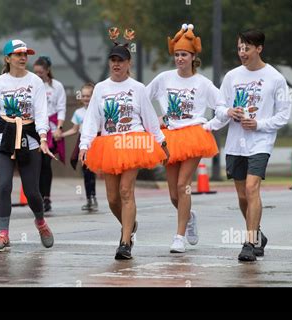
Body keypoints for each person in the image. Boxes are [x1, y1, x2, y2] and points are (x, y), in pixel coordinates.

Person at [79, 28, 169, 260]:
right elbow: (92, 119)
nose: (116, 64)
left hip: (133, 142)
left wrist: (161, 142)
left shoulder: (138, 88)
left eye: (120, 60)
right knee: (112, 198)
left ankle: (125, 241)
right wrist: (84, 145)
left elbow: (149, 119)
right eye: (113, 60)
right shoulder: (100, 88)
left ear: (129, 63)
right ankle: (129, 224)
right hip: (108, 144)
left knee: (126, 191)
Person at [204, 29, 292, 261]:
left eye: (247, 48)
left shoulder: (275, 78)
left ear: (259, 49)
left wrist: (259, 124)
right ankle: (258, 234)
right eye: (240, 48)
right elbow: (220, 108)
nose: (242, 52)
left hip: (260, 142)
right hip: (235, 144)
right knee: (243, 196)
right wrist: (223, 114)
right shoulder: (232, 76)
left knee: (252, 189)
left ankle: (249, 243)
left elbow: (283, 115)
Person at [147, 24, 226, 254]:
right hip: (169, 137)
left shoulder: (203, 83)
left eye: (184, 55)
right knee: (173, 193)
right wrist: (154, 119)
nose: (180, 58)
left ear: (193, 57)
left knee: (184, 185)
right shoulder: (163, 79)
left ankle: (179, 236)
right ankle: (190, 216)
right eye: (177, 54)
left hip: (193, 135)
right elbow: (141, 98)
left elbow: (222, 107)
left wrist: (210, 125)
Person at [0, 39, 55, 252]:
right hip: (4, 137)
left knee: (32, 191)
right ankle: (4, 234)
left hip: (29, 137)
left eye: (25, 54)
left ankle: (41, 223)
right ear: (8, 58)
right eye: (18, 54)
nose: (23, 57)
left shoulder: (35, 81)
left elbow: (42, 112)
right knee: (4, 185)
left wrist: (43, 138)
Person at [33, 56, 67, 213]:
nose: (38, 75)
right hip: (35, 127)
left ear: (47, 71)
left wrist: (59, 128)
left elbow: (61, 107)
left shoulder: (57, 86)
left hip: (52, 127)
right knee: (36, 164)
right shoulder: (31, 85)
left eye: (41, 72)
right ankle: (37, 196)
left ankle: (46, 197)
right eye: (35, 72)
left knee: (46, 163)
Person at [61, 82, 98, 211]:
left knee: (92, 172)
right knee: (86, 172)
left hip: (97, 142)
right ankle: (90, 199)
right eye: (84, 96)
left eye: (89, 96)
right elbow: (74, 129)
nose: (86, 98)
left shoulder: (98, 110)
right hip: (83, 142)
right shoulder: (78, 112)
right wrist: (62, 135)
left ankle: (93, 197)